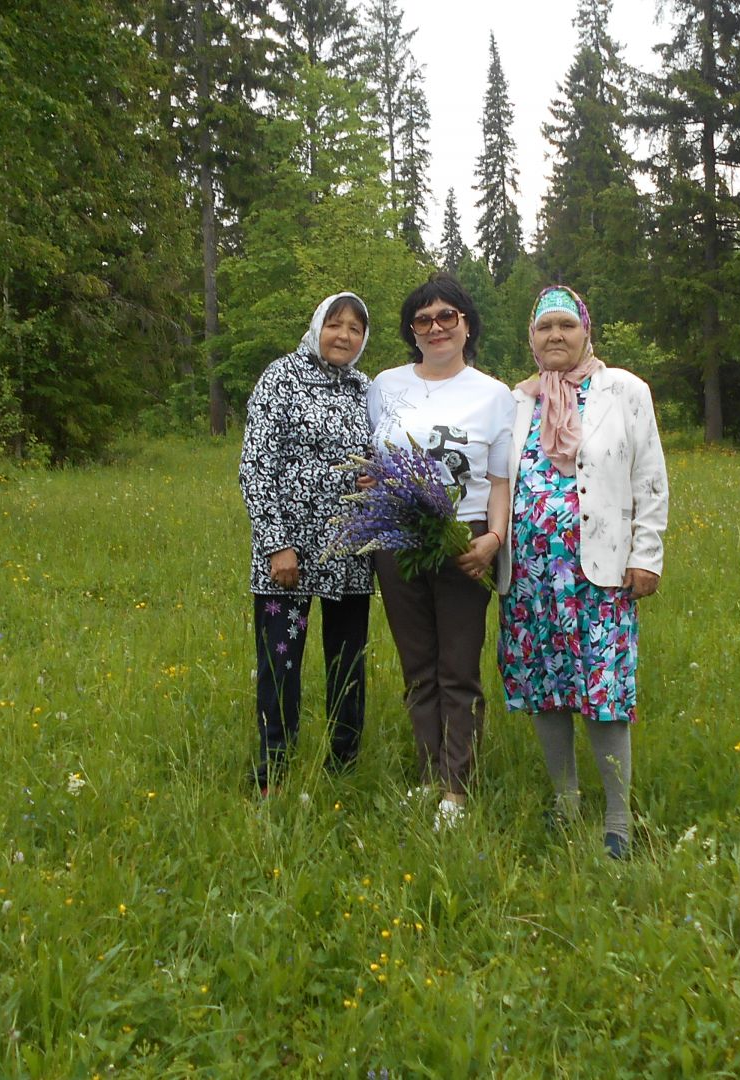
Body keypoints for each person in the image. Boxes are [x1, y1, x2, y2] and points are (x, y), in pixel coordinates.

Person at [495, 285, 668, 860]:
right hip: (530, 578)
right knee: (546, 690)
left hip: (600, 574)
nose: (556, 337)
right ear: (532, 338)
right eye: (545, 328)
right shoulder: (517, 401)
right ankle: (564, 801)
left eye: (567, 326)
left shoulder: (624, 390)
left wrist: (647, 555)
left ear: (586, 331)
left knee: (605, 691)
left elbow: (649, 476)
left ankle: (617, 819)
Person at [367, 273, 515, 830]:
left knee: (458, 665)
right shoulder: (385, 385)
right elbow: (375, 460)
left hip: (464, 537)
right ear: (412, 331)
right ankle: (429, 774)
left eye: (446, 316)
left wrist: (493, 540)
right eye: (423, 320)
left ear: (466, 324)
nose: (435, 328)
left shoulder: (492, 394)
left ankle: (457, 789)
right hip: (397, 536)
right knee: (417, 665)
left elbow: (500, 480)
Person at [239, 292, 375, 794]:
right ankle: (274, 768)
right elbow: (256, 466)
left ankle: (343, 765)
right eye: (335, 324)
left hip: (350, 552)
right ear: (317, 325)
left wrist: (375, 480)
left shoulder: (366, 389)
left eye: (355, 329)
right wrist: (277, 544)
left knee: (347, 663)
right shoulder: (280, 378)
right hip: (287, 555)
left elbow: (381, 455)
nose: (343, 335)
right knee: (281, 663)